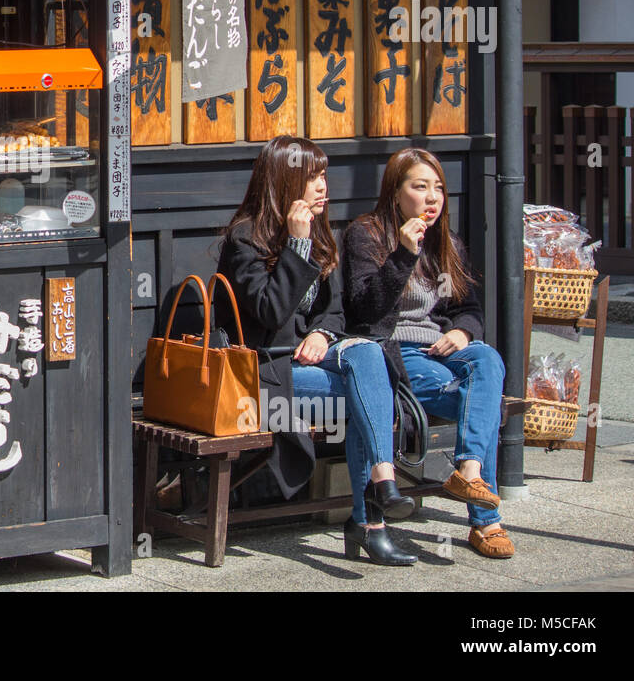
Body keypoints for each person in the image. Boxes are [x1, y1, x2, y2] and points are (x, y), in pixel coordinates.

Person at [216, 136, 416, 566]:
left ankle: (382, 479)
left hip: (313, 358)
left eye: (323, 175)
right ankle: (369, 522)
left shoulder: (323, 232)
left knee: (366, 355)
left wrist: (324, 334)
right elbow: (270, 312)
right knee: (370, 398)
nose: (323, 186)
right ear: (284, 181)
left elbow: (335, 311)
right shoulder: (245, 239)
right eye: (312, 177)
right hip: (266, 371)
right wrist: (296, 245)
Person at [342, 148, 513, 559]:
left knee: (488, 359)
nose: (432, 197)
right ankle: (486, 521)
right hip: (396, 353)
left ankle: (468, 471)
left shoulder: (445, 242)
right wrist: (402, 254)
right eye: (420, 187)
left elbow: (469, 308)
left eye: (438, 188)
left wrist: (463, 331)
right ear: (395, 193)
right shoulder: (366, 235)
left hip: (441, 349)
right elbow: (364, 311)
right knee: (482, 405)